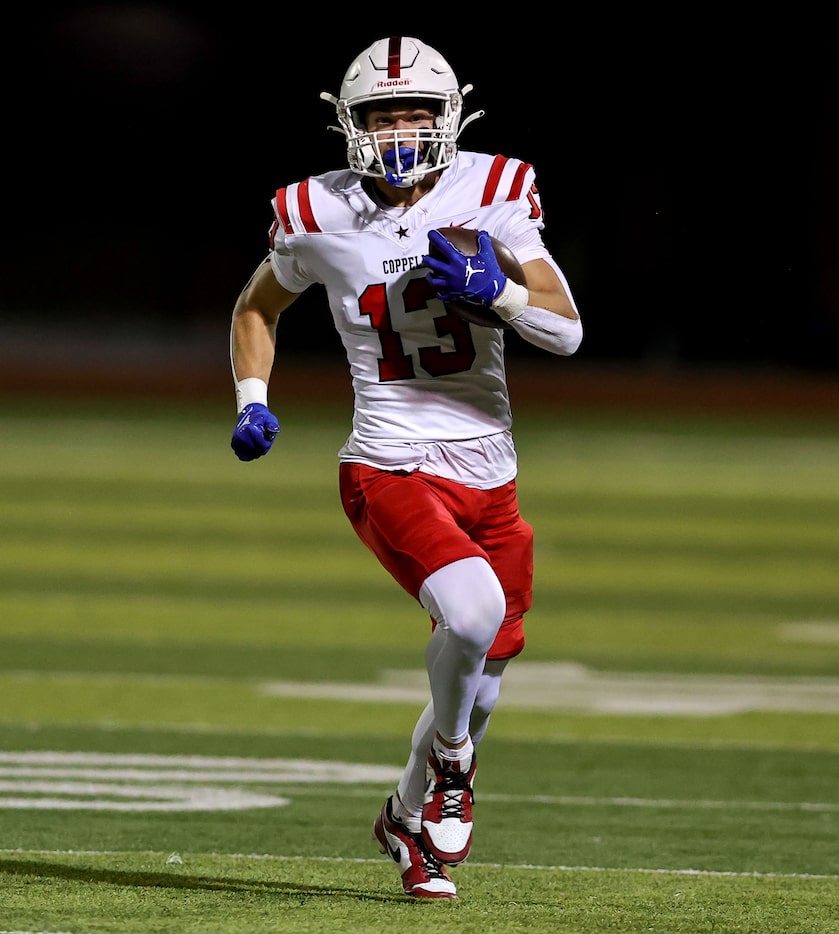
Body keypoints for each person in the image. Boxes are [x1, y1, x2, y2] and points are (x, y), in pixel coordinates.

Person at [229, 35, 583, 899]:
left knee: (483, 673)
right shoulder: (313, 210)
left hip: (489, 471)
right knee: (469, 614)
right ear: (349, 124)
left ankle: (404, 813)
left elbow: (565, 330)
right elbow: (256, 306)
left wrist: (491, 291)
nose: (399, 130)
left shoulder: (493, 190)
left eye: (416, 113)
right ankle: (454, 764)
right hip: (387, 461)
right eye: (382, 115)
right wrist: (250, 395)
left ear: (450, 116)